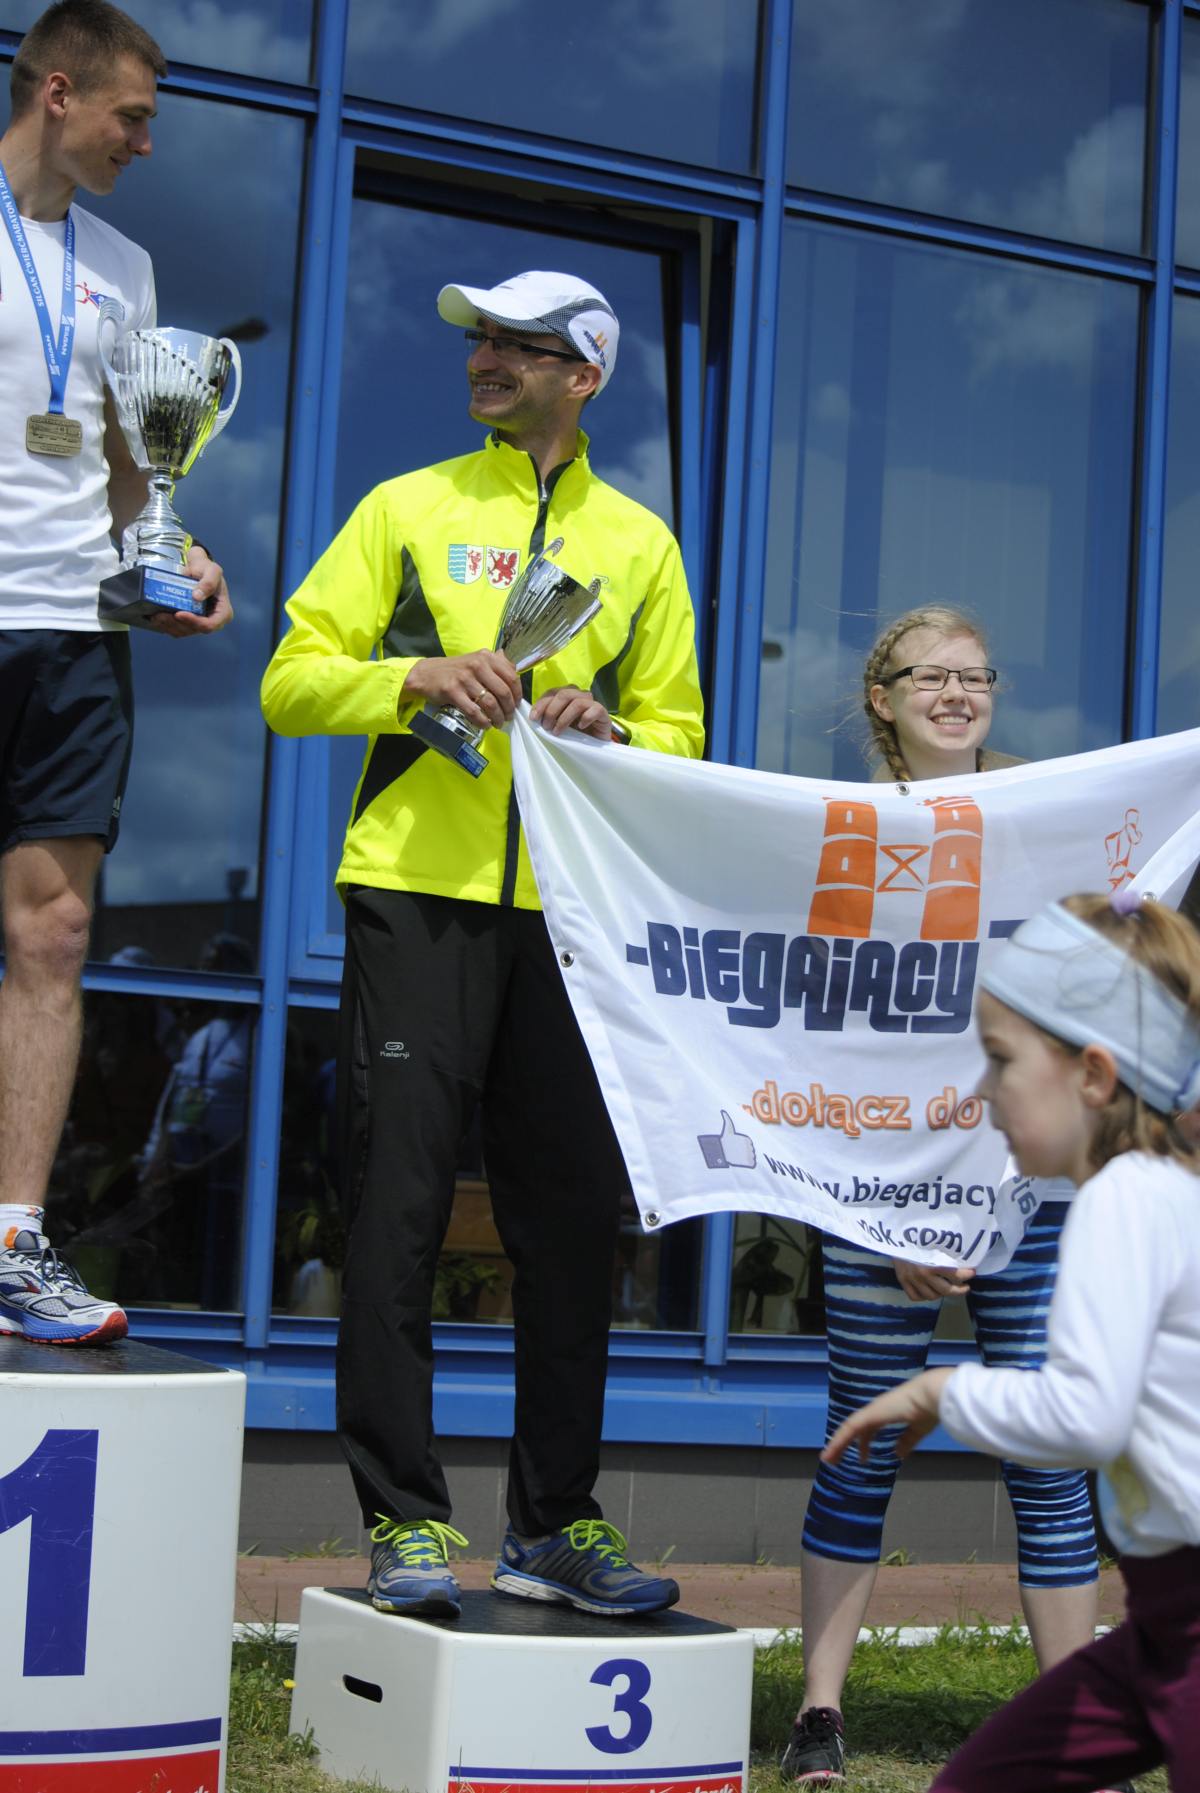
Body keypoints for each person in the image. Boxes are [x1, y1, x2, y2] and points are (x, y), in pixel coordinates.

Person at [261, 269, 704, 1618]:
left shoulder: (640, 543)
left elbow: (682, 733)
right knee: (394, 1212)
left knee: (569, 1226)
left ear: (586, 372)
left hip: (569, 915)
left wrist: (612, 733)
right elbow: (289, 681)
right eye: (479, 340)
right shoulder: (408, 507)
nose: (485, 358)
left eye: (519, 342)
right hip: (415, 895)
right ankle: (404, 1523)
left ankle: (554, 1525)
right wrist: (413, 675)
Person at [781, 607, 1102, 1784]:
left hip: (1030, 1193)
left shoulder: (1043, 826)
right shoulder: (838, 834)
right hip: (877, 1199)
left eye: (978, 676)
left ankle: (1078, 1728)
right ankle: (818, 1713)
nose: (959, 694)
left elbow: (1078, 1015)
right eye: (932, 676)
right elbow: (816, 1046)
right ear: (883, 696)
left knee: (1052, 1454)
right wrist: (892, 1218)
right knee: (861, 1444)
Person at [824, 892, 1200, 1791]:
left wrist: (940, 1389)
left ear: (1094, 1076)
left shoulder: (1122, 1201)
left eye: (1000, 1061)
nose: (981, 1092)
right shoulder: (1158, 1191)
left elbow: (1086, 1417)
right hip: (1157, 1626)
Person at [0, 0, 233, 1345]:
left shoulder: (124, 269)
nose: (144, 144)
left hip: (76, 632)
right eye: (130, 117)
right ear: (57, 91)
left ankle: (12, 1241)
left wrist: (177, 559)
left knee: (56, 933)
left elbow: (135, 469)